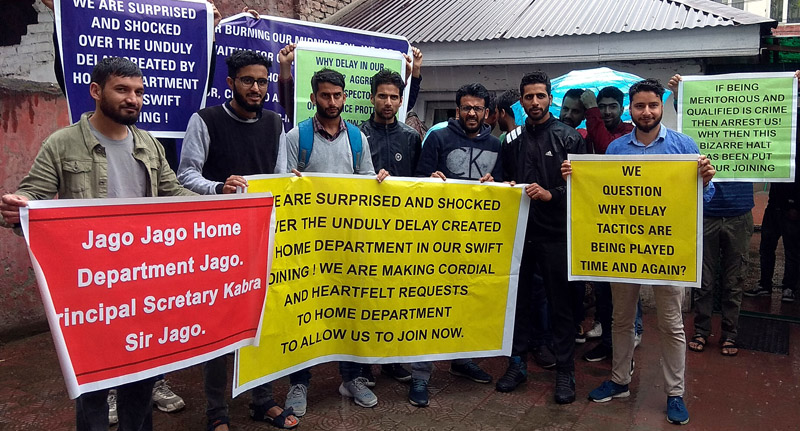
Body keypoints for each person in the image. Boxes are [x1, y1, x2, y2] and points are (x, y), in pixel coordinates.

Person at [0, 57, 196, 431]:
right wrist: (18, 207)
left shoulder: (150, 144)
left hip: (143, 283)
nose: (133, 99)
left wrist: (223, 201)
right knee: (92, 388)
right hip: (90, 290)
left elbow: (174, 194)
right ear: (96, 91)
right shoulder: (62, 143)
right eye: (122, 89)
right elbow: (32, 196)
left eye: (138, 92)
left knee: (141, 382)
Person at [566, 78, 716, 425]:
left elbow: (703, 200)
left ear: (662, 106)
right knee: (621, 320)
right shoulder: (616, 149)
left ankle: (675, 392)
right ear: (630, 110)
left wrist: (706, 181)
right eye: (639, 106)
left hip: (668, 252)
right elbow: (602, 195)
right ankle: (620, 381)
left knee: (671, 324)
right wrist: (576, 179)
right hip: (624, 251)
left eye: (652, 105)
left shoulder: (683, 146)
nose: (646, 112)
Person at [177, 49, 297, 431]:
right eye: (248, 80)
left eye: (262, 81)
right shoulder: (205, 120)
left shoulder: (275, 124)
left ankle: (263, 400)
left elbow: (278, 177)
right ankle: (217, 412)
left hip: (261, 240)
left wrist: (291, 182)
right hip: (217, 245)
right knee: (220, 328)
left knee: (263, 322)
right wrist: (218, 187)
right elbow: (185, 175)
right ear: (231, 83)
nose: (256, 88)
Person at [285, 67, 389, 410]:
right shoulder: (295, 137)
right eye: (325, 95)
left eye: (337, 95)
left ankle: (352, 378)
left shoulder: (358, 138)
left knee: (351, 309)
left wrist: (379, 179)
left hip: (348, 242)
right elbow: (281, 186)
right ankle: (298, 384)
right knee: (303, 313)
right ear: (313, 97)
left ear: (345, 97)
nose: (331, 101)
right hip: (307, 245)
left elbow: (366, 184)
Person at [412, 82, 500, 406]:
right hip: (438, 241)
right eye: (466, 107)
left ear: (487, 112)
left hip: (475, 243)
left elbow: (506, 187)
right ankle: (420, 375)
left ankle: (462, 359)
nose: (472, 113)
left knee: (467, 302)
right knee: (430, 306)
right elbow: (417, 182)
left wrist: (496, 184)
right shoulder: (437, 139)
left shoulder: (497, 145)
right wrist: (429, 180)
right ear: (458, 109)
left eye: (477, 108)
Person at [500, 72, 586, 402]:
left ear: (550, 98)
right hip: (520, 235)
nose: (534, 102)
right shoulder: (511, 140)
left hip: (556, 235)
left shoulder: (570, 138)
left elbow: (584, 188)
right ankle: (516, 364)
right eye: (528, 97)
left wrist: (553, 194)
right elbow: (504, 181)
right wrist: (502, 186)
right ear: (521, 101)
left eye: (540, 96)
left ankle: (565, 371)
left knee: (561, 305)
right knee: (518, 302)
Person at [667, 74, 754, 357]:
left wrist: (792, 91)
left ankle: (730, 334)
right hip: (705, 213)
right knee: (703, 280)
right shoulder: (699, 130)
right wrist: (680, 94)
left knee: (734, 280)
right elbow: (689, 118)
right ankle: (701, 331)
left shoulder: (752, 128)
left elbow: (780, 125)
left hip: (739, 212)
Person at [357, 68, 420, 388]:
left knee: (395, 299)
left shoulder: (411, 137)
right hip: (364, 231)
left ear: (400, 100)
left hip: (401, 234)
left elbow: (421, 183)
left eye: (394, 97)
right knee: (365, 299)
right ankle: (362, 364)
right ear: (372, 97)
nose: (388, 102)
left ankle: (391, 360)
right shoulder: (356, 135)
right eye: (382, 95)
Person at [578, 86, 644, 363]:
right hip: (597, 215)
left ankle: (635, 329)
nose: (606, 112)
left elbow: (608, 150)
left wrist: (591, 110)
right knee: (602, 282)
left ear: (622, 108)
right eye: (601, 106)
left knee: (627, 281)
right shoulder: (588, 132)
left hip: (627, 219)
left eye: (611, 106)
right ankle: (605, 328)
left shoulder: (628, 133)